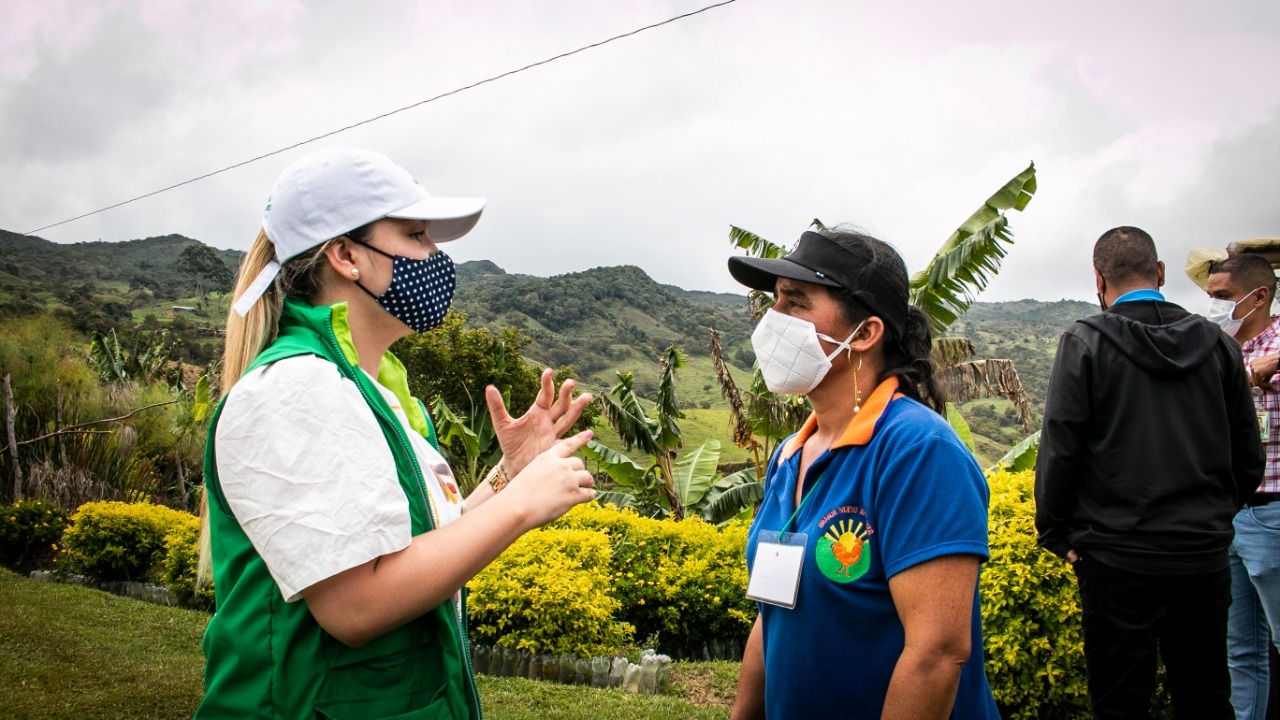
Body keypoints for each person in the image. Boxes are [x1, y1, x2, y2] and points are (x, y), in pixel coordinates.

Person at [195, 147, 597, 719]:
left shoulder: (375, 390)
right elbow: (355, 606)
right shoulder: (294, 389)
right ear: (345, 255)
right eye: (416, 236)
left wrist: (509, 477)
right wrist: (522, 507)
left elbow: (413, 551)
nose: (436, 256)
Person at [727, 228, 1000, 719]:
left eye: (796, 303)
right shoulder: (791, 454)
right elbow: (771, 619)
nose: (774, 321)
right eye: (775, 303)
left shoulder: (918, 451)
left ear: (867, 333)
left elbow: (936, 653)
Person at [1035, 226, 1264, 719]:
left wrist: (1057, 531)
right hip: (1201, 555)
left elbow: (1060, 448)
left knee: (1121, 702)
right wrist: (1215, 518)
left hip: (1115, 558)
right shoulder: (1218, 345)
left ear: (1099, 280)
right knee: (1206, 695)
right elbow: (1249, 452)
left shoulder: (1084, 342)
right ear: (1159, 273)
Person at [1206, 252, 1280, 720]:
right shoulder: (1219, 350)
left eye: (1222, 298)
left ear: (1259, 296)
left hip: (1273, 512)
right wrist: (1253, 374)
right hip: (1228, 516)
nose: (1213, 308)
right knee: (1241, 652)